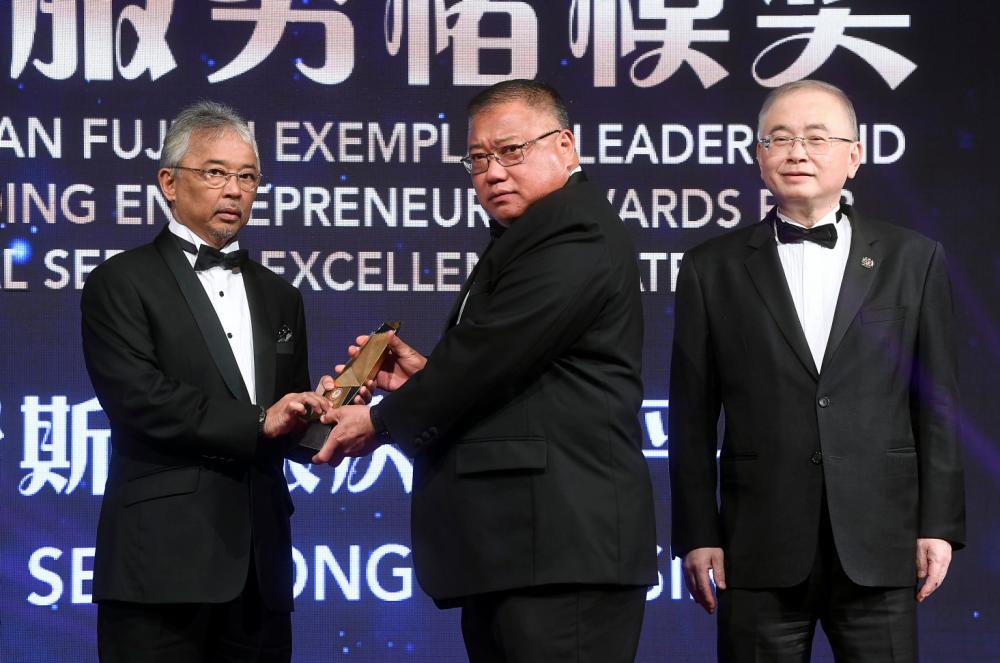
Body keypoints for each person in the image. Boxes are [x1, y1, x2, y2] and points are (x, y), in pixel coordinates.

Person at [312, 79, 657, 663]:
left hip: (559, 552)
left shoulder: (574, 228)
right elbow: (509, 364)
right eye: (478, 158)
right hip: (520, 550)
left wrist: (380, 420)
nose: (493, 172)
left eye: (512, 151)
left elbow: (491, 354)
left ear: (566, 147)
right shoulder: (527, 236)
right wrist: (425, 379)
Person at [668, 79, 966, 662]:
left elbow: (936, 402)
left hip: (880, 540)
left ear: (854, 157)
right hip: (757, 544)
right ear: (759, 158)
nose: (796, 152)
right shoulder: (712, 268)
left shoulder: (914, 258)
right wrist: (698, 534)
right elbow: (692, 416)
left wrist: (939, 524)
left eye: (815, 138)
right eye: (779, 139)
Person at [81, 101, 334, 662]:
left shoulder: (280, 295)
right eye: (216, 172)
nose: (235, 190)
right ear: (169, 182)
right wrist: (259, 420)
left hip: (260, 570)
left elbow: (280, 423)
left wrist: (323, 417)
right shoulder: (120, 281)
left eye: (248, 177)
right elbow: (138, 398)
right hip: (160, 567)